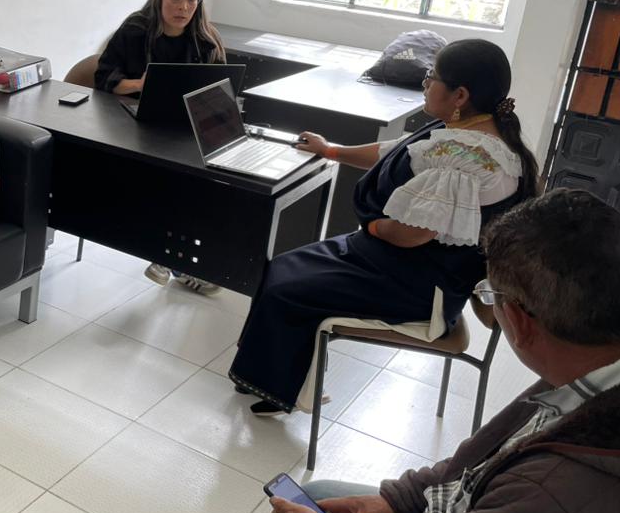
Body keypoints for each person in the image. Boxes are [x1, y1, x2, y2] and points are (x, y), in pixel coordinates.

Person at [189, 189, 620, 513]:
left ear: (519, 321)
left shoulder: (571, 487)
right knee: (320, 496)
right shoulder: (598, 372)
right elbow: (476, 464)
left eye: (490, 298)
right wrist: (397, 505)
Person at [229, 38, 539, 414]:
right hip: (400, 265)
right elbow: (394, 151)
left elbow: (412, 235)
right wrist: (331, 151)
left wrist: (372, 227)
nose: (425, 83)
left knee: (287, 289)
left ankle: (281, 389)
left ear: (460, 95)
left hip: (415, 286)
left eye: (432, 77)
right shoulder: (470, 134)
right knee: (282, 267)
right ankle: (266, 376)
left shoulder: (467, 159)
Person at [94, 0, 228, 295]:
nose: (184, 7)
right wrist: (140, 84)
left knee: (207, 178)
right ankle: (172, 257)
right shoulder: (135, 30)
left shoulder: (205, 39)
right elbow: (104, 77)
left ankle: (173, 259)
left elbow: (220, 89)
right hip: (133, 122)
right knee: (173, 178)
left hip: (185, 126)